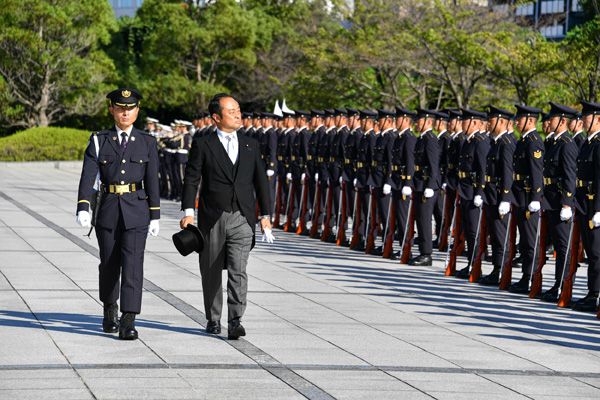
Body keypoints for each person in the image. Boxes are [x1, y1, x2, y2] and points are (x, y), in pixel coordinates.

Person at [180, 93, 273, 339]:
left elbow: (261, 182)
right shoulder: (203, 144)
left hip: (243, 216)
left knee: (238, 269)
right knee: (210, 269)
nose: (237, 114)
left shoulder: (250, 144)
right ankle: (213, 317)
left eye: (238, 110)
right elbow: (192, 179)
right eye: (231, 111)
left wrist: (265, 215)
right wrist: (188, 212)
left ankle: (235, 319)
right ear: (216, 117)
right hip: (213, 217)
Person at [76, 88, 160, 340]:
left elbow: (152, 180)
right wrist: (83, 206)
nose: (126, 112)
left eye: (131, 108)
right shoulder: (99, 139)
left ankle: (128, 319)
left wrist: (155, 214)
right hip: (109, 208)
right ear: (112, 109)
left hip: (137, 209)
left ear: (137, 110)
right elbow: (88, 175)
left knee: (134, 266)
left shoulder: (147, 141)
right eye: (121, 108)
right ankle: (110, 309)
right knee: (109, 264)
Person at [509, 105, 544, 294]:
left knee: (530, 241)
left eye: (519, 120)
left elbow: (536, 171)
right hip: (520, 195)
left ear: (530, 120)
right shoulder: (524, 141)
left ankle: (531, 276)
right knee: (524, 240)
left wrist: (535, 197)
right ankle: (525, 276)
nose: (516, 122)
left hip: (528, 196)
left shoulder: (534, 142)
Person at [572, 101, 600, 312]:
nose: (583, 120)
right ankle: (592, 292)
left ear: (598, 119)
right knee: (591, 251)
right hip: (583, 202)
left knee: (597, 252)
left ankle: (595, 294)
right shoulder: (588, 144)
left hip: (593, 204)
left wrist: (599, 209)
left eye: (587, 117)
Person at [408, 109, 440, 266]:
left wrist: (431, 185)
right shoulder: (422, 139)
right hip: (420, 183)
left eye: (418, 121)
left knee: (425, 219)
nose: (416, 123)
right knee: (420, 219)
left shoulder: (431, 139)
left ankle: (426, 254)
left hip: (427, 184)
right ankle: (422, 251)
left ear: (428, 121)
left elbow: (434, 166)